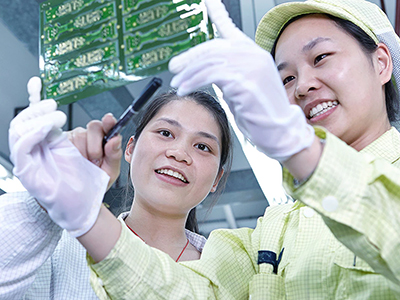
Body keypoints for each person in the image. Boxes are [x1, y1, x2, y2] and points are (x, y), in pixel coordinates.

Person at [8, 0, 400, 299]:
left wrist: (301, 151)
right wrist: (85, 217)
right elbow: (180, 291)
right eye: (285, 77)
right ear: (129, 147)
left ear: (381, 63)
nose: (302, 86)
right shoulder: (271, 231)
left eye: (321, 58)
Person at [1, 82, 233, 299]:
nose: (179, 153)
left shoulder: (232, 274)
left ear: (217, 179)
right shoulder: (64, 249)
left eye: (202, 147)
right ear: (130, 148)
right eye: (165, 133)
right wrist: (43, 205)